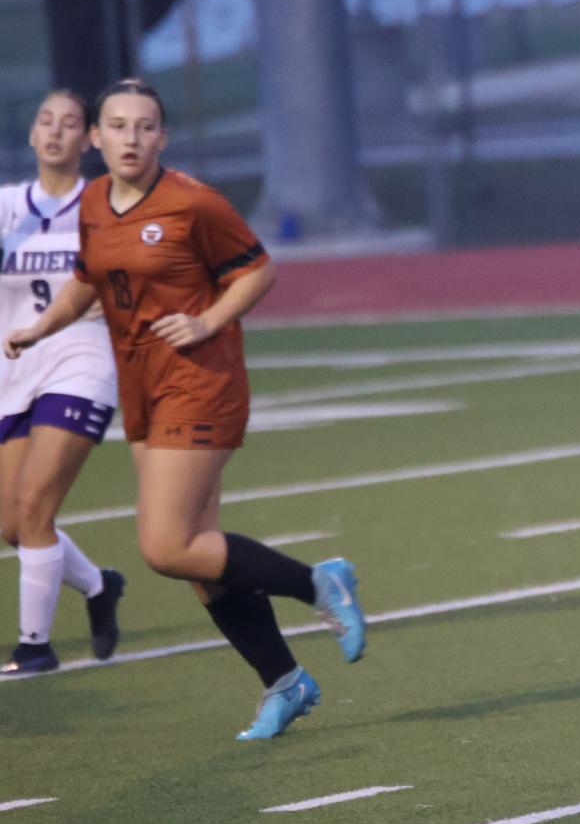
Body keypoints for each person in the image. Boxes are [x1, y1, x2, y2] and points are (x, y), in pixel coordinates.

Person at [3, 79, 368, 739]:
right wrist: (41, 327)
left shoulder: (192, 202)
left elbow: (258, 271)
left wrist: (207, 322)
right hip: (141, 385)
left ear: (162, 138)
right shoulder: (93, 200)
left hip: (200, 380)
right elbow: (87, 279)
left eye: (145, 127)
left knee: (167, 546)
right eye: (118, 126)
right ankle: (285, 682)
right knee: (202, 560)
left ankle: (319, 583)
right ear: (97, 138)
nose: (131, 138)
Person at [0, 90, 124, 675]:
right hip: (13, 370)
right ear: (32, 135)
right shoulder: (7, 207)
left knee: (35, 506)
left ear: (88, 139)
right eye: (45, 121)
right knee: (11, 523)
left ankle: (35, 647)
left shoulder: (102, 206)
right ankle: (99, 586)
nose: (55, 132)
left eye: (69, 123)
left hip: (80, 363)